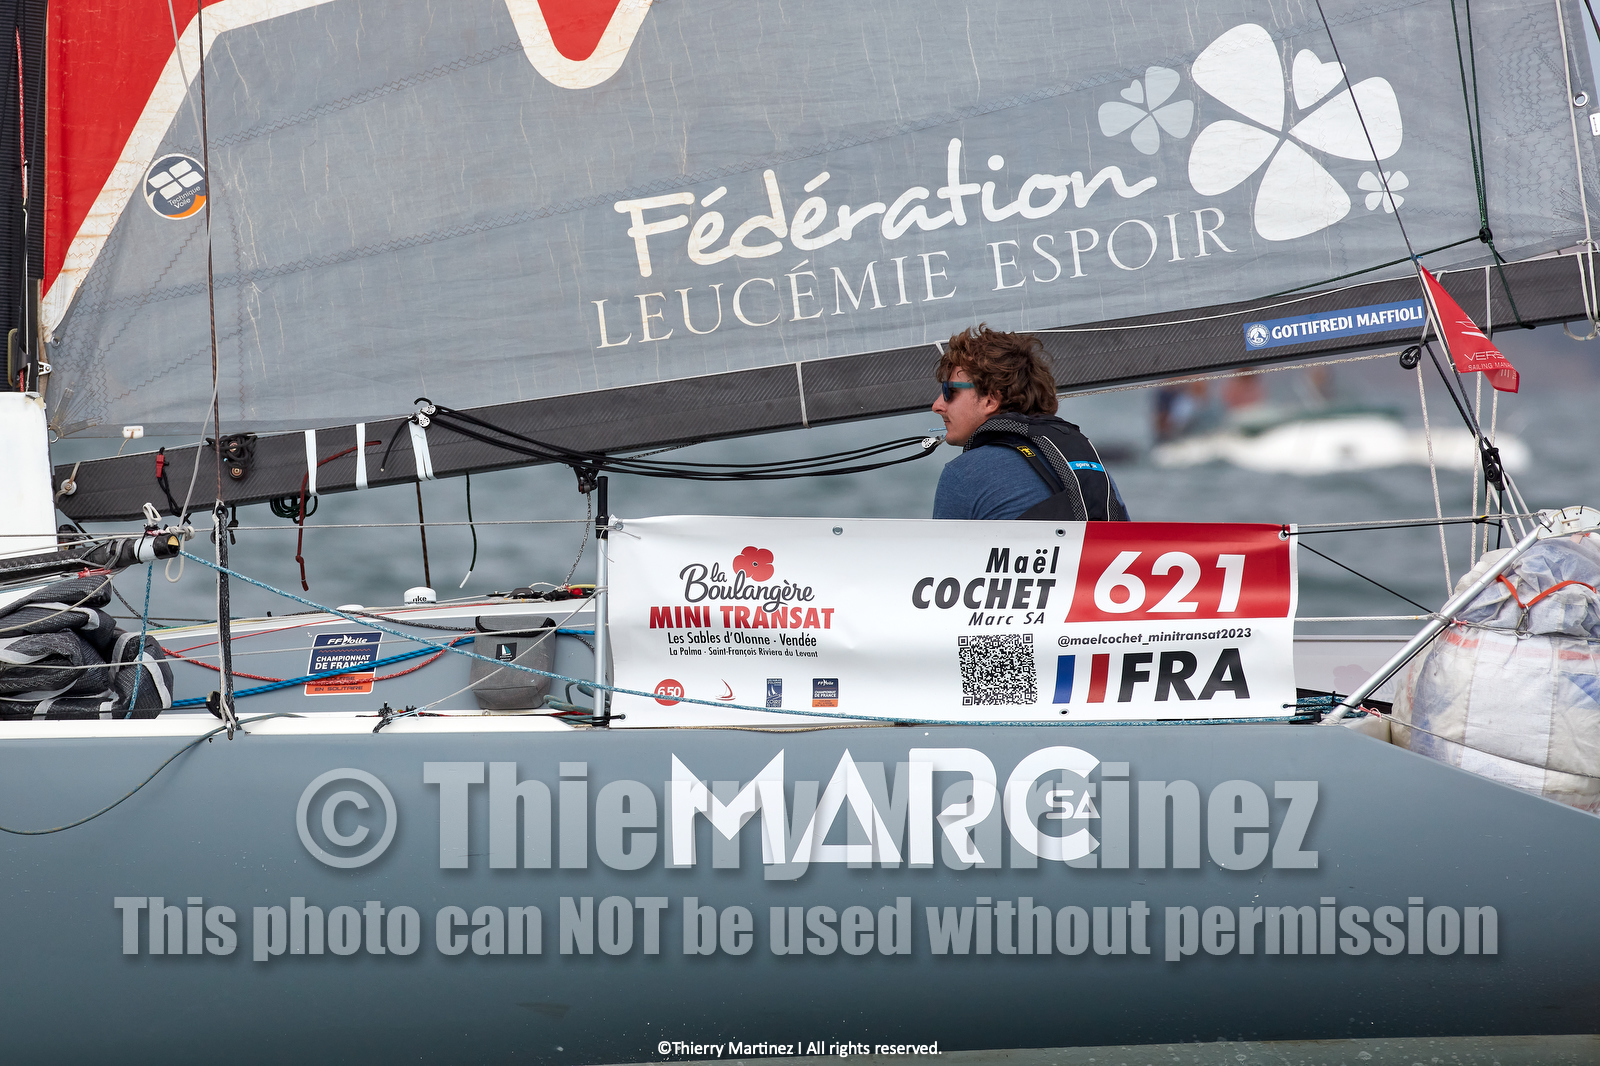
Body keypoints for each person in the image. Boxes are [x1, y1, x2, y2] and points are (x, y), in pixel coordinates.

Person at [931, 325, 1130, 521]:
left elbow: (943, 554)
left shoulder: (962, 475)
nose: (937, 405)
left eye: (950, 391)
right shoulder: (1092, 466)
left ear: (990, 400)